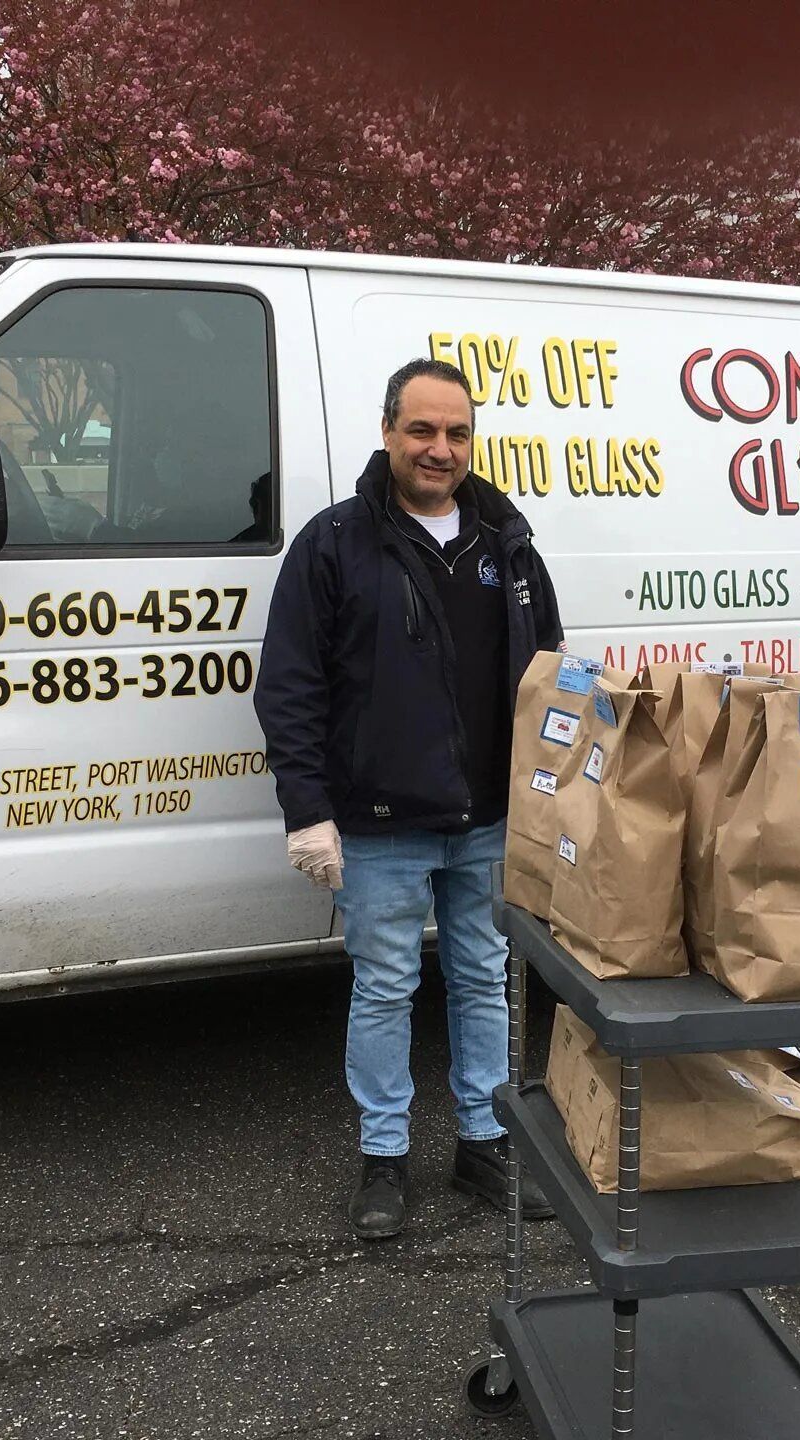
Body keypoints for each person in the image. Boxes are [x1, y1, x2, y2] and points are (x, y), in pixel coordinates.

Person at [254, 358, 563, 1241]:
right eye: (422, 430)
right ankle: (383, 1158)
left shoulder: (507, 542)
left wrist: (547, 791)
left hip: (486, 821)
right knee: (385, 989)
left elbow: (548, 675)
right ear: (389, 433)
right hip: (381, 823)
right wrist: (306, 808)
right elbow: (290, 685)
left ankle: (482, 1141)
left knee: (482, 982)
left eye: (456, 433)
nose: (439, 448)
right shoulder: (335, 543)